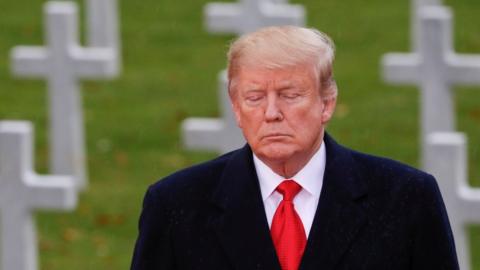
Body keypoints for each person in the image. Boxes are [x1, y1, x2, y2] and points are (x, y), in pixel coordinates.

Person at [130, 26, 459, 270]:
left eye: (289, 95)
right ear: (235, 107)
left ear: (326, 104)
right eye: (255, 98)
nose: (271, 113)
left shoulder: (406, 197)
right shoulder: (176, 205)